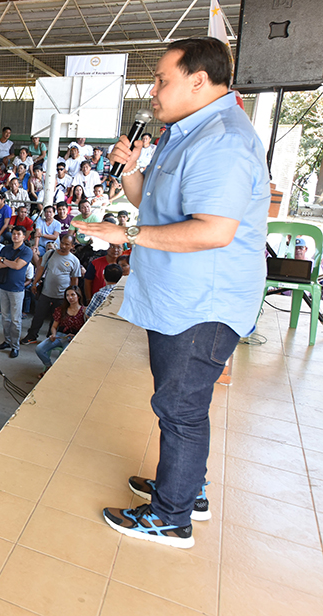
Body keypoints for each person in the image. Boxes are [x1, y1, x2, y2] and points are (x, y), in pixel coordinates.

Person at [77, 37, 270, 548]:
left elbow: (212, 230)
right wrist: (134, 169)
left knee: (180, 408)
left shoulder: (222, 140)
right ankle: (186, 488)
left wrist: (126, 235)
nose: (153, 90)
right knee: (184, 401)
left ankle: (171, 516)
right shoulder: (185, 132)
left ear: (198, 80)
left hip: (202, 303)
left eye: (162, 79)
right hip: (178, 296)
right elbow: (155, 205)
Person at [21, 234, 80, 345]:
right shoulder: (50, 254)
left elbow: (74, 280)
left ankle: (50, 338)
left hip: (62, 295)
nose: (63, 246)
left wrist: (72, 295)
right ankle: (31, 336)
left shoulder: (74, 261)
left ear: (72, 246)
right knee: (38, 315)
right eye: (62, 243)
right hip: (46, 292)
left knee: (56, 319)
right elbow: (40, 269)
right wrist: (35, 283)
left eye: (67, 244)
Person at [0, 227, 34, 357]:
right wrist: (7, 261)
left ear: (23, 236)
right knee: (5, 318)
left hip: (17, 289)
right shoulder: (5, 248)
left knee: (16, 320)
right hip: (4, 287)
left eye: (18, 234)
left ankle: (15, 346)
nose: (15, 236)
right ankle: (7, 341)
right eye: (14, 234)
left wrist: (4, 261)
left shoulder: (27, 251)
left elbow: (18, 266)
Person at [34, 286, 86, 374]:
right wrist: (53, 334)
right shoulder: (61, 309)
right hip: (60, 336)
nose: (70, 298)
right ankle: (49, 367)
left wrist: (76, 336)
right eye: (67, 295)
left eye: (73, 295)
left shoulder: (84, 311)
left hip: (73, 339)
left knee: (65, 355)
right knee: (39, 348)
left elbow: (86, 330)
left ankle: (57, 372)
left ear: (78, 296)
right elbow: (54, 326)